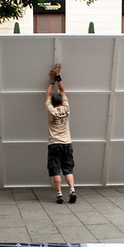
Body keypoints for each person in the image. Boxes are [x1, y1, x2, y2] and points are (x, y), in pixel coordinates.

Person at [45, 63, 77, 204]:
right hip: (67, 143)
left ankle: (59, 194)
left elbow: (47, 95)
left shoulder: (51, 110)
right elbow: (63, 92)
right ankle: (72, 190)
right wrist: (58, 77)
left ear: (52, 102)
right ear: (61, 102)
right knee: (68, 169)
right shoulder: (67, 108)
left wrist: (51, 81)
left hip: (54, 144)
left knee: (56, 170)